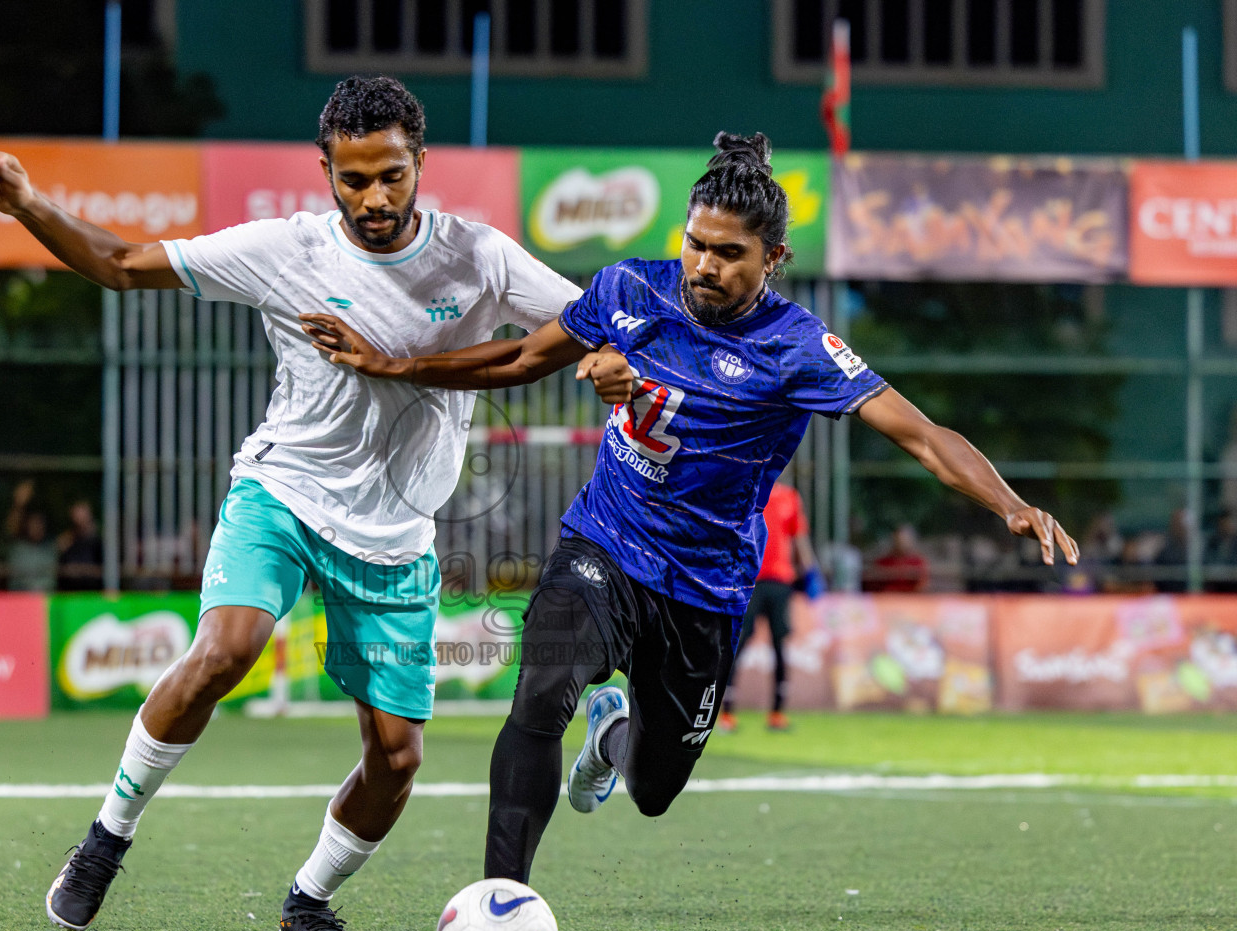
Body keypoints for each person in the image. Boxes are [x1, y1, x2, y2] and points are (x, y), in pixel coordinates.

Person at [304, 131, 1078, 885]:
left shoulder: (799, 348)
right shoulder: (627, 290)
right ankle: (500, 901)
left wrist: (1007, 502)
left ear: (774, 259)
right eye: (695, 243)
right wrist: (396, 364)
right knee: (540, 695)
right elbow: (521, 355)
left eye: (729, 253)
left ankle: (612, 736)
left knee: (653, 790)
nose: (703, 265)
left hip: (704, 588)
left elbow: (921, 434)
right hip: (603, 543)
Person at [0, 75, 581, 931]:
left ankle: (308, 901)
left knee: (398, 760)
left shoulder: (478, 257)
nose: (375, 198)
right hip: (283, 494)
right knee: (228, 648)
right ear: (325, 170)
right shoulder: (283, 250)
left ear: (421, 164)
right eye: (355, 178)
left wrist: (596, 361)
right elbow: (121, 264)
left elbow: (577, 326)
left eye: (394, 177)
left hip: (396, 535)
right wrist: (28, 204)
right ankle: (105, 840)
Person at [718, 480, 816, 733]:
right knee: (737, 645)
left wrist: (811, 571)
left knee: (779, 645)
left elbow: (799, 538)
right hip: (750, 582)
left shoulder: (789, 497)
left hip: (781, 583)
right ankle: (726, 713)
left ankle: (777, 713)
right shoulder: (746, 490)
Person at [56, 500, 104, 591]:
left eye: (82, 513)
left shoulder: (99, 544)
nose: (79, 518)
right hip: (69, 593)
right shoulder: (66, 542)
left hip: (93, 593)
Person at [867, 523, 929, 592]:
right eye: (898, 539)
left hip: (910, 600)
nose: (901, 542)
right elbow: (873, 585)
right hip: (887, 599)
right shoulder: (883, 562)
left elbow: (922, 585)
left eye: (904, 539)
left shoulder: (917, 562)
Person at [8, 509, 58, 592]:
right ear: (27, 526)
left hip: (46, 596)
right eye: (34, 524)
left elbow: (51, 580)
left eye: (40, 524)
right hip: (20, 597)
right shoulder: (17, 549)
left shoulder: (51, 549)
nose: (37, 527)